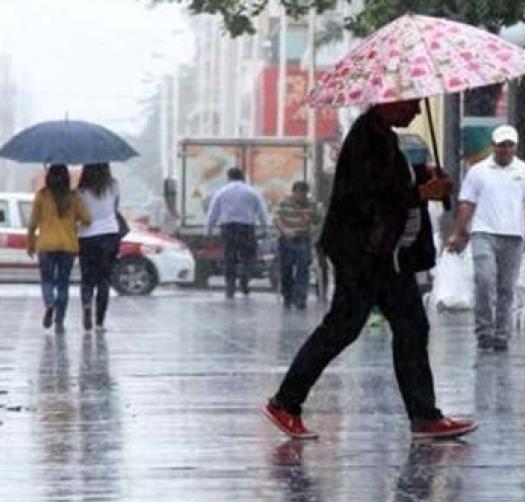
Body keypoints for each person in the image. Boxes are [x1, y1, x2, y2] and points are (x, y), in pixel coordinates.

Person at [263, 100, 477, 440]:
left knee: (412, 328)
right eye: (413, 104)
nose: (418, 112)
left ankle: (424, 416)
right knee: (342, 328)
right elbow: (369, 196)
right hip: (362, 254)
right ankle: (286, 402)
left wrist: (425, 177)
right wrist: (421, 191)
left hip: (389, 256)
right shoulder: (366, 138)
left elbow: (392, 181)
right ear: (391, 102)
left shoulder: (385, 137)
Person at [446, 124, 525, 352]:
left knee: (506, 287)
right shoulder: (478, 172)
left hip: (513, 235)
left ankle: (502, 333)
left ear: (515, 148)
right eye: (501, 146)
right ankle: (484, 331)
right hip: (484, 233)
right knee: (484, 280)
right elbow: (467, 203)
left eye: (510, 146)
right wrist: (458, 232)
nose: (505, 150)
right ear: (493, 146)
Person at [27, 164, 92, 333]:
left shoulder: (41, 196)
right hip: (67, 246)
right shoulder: (73, 197)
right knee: (63, 284)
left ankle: (49, 304)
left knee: (47, 281)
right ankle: (59, 322)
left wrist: (30, 244)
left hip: (46, 245)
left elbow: (32, 224)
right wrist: (74, 221)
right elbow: (87, 219)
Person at [204, 167, 269, 298]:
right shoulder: (252, 192)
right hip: (247, 228)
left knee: (229, 258)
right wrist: (264, 229)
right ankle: (245, 278)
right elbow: (262, 212)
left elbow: (213, 212)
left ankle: (230, 288)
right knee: (249, 256)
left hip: (228, 228)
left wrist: (208, 231)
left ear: (228, 177)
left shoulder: (222, 192)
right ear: (243, 177)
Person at [77, 162, 121, 332]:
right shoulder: (113, 185)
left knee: (87, 278)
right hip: (110, 234)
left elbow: (78, 215)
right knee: (104, 279)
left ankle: (87, 305)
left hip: (87, 237)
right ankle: (100, 322)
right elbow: (116, 208)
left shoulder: (80, 191)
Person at [273, 180, 321, 309]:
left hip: (303, 239)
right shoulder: (284, 203)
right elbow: (276, 218)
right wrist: (284, 230)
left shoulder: (312, 205)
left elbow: (318, 221)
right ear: (294, 192)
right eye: (299, 194)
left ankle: (300, 299)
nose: (301, 197)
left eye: (304, 194)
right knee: (286, 269)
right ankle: (287, 296)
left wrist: (311, 228)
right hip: (286, 240)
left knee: (302, 269)